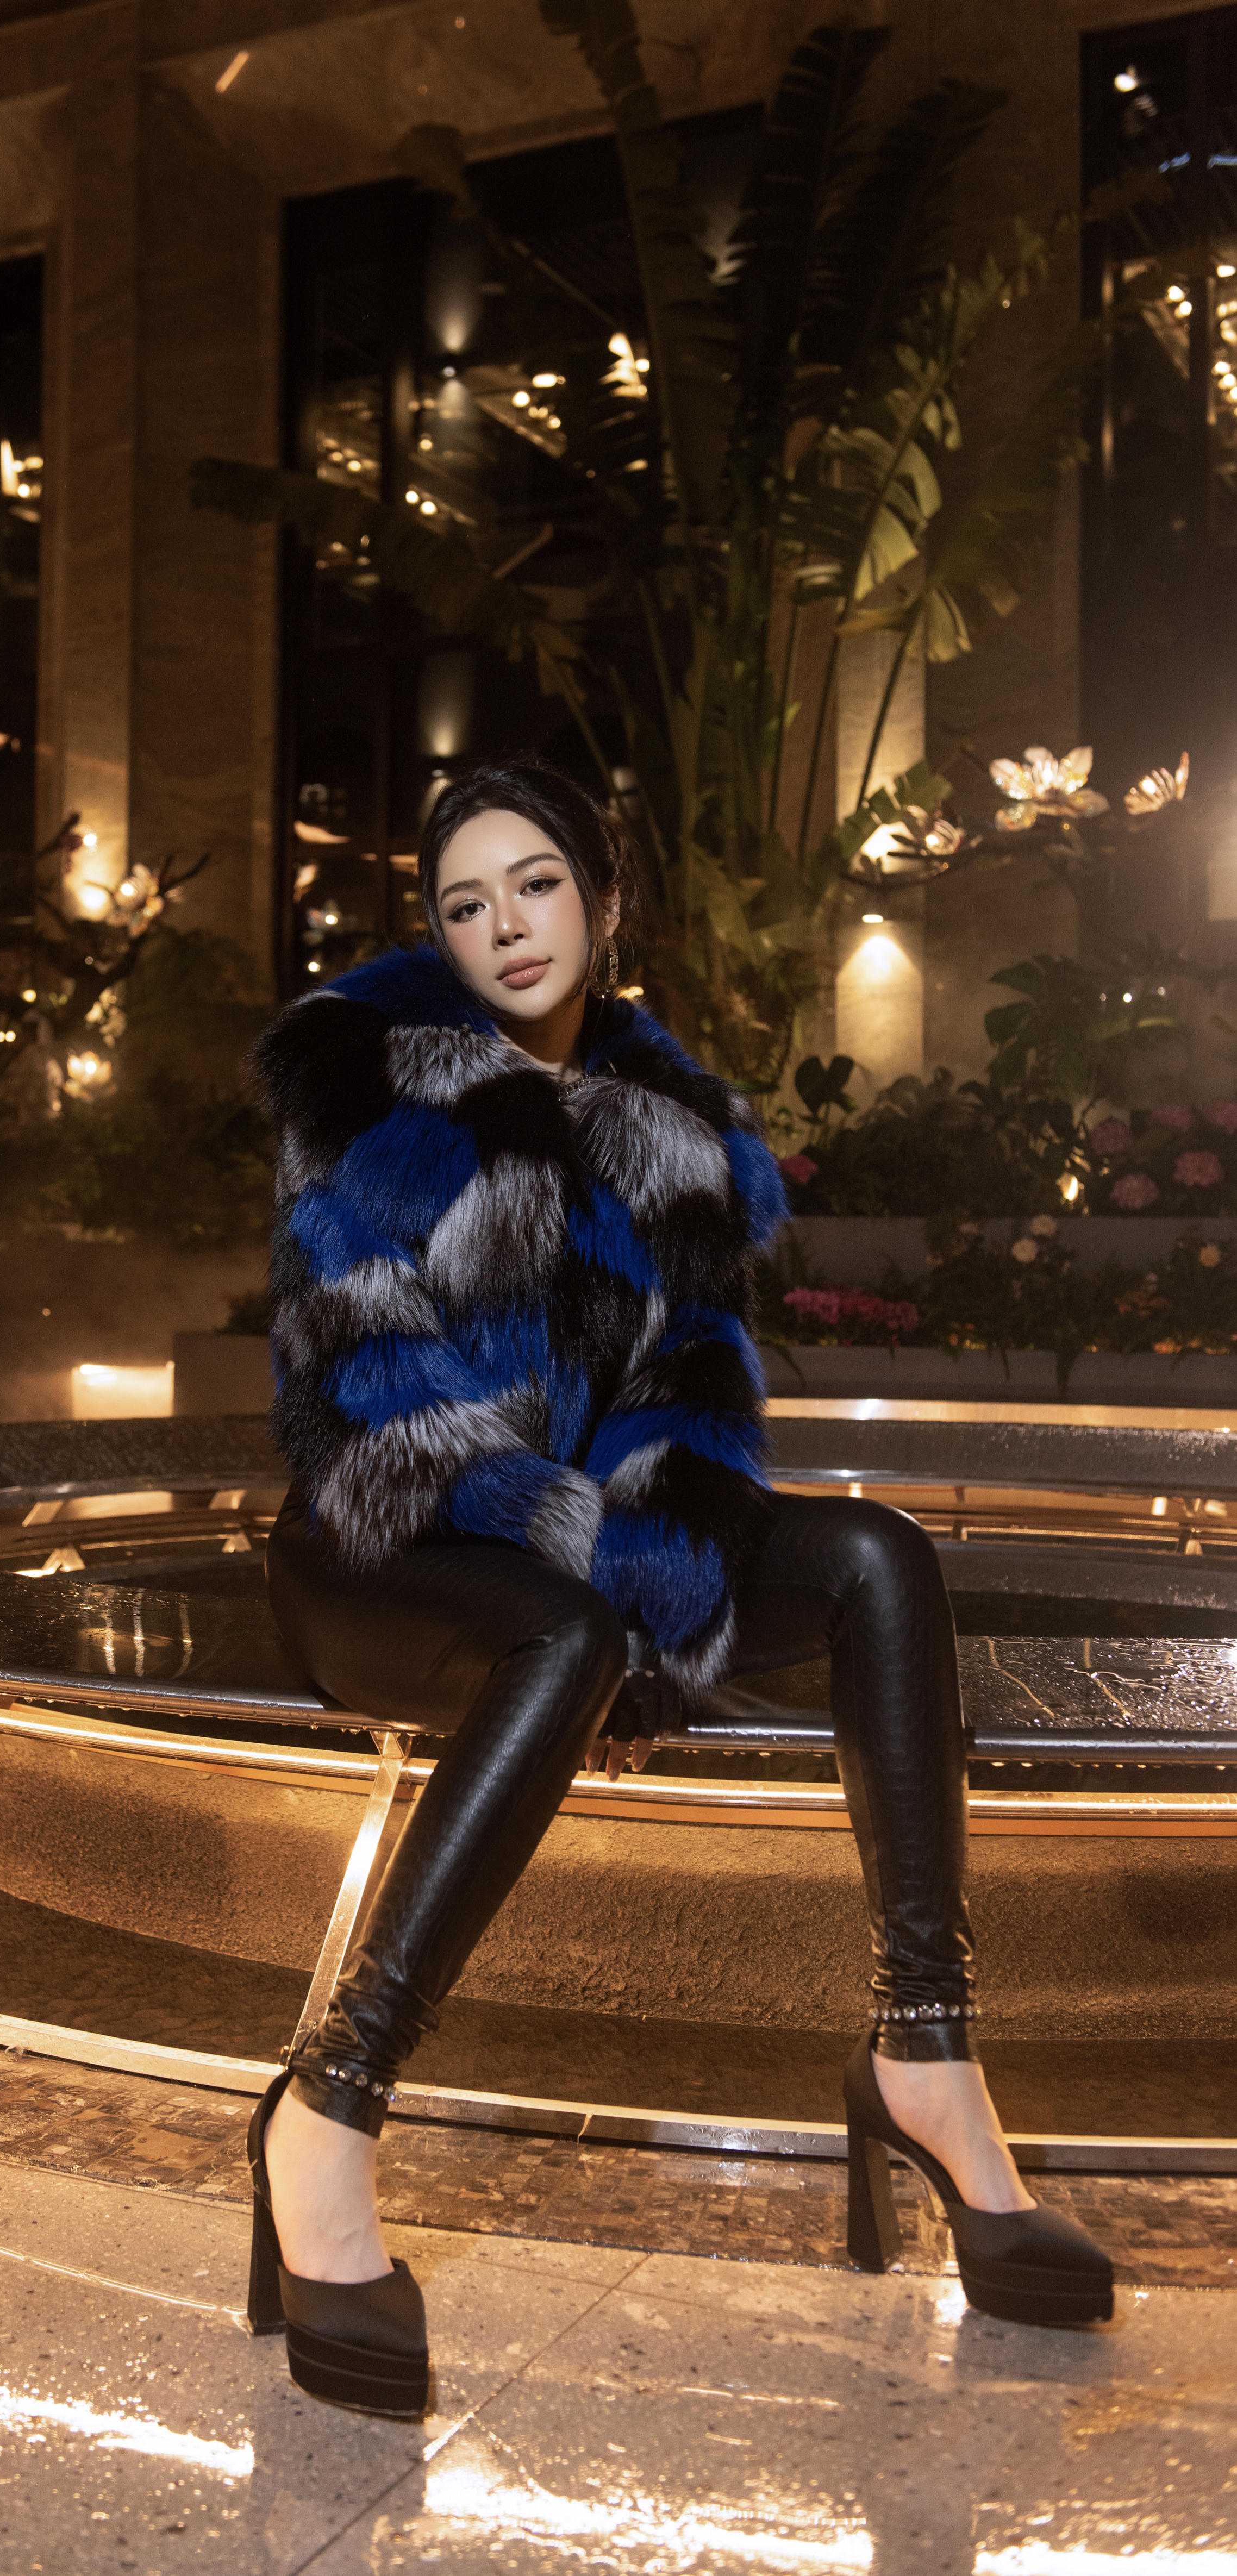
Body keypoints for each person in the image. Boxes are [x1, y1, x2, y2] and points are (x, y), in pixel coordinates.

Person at [246, 759, 1113, 2418]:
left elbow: (686, 1405)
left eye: (537, 885)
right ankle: (331, 2097)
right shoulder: (366, 1083)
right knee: (566, 1632)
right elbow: (375, 1402)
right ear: (435, 934)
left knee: (872, 1555)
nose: (506, 925)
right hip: (381, 1539)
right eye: (465, 903)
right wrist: (614, 1598)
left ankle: (923, 2051)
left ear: (604, 899)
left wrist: (649, 1582)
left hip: (567, 1562)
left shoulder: (672, 1131)